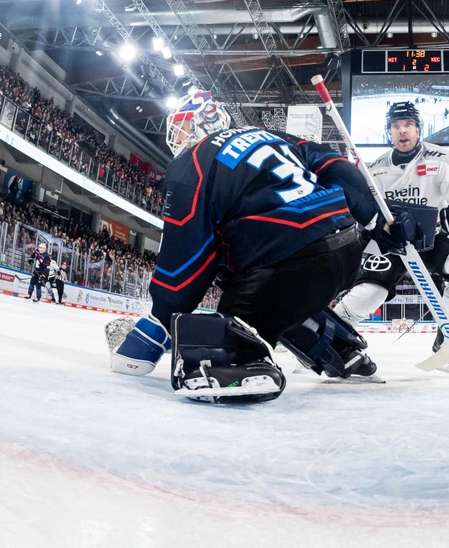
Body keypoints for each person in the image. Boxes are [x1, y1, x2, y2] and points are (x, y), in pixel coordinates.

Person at [107, 90, 411, 404]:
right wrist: (375, 219)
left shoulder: (190, 164)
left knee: (228, 284)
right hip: (346, 248)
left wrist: (152, 330)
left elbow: (184, 261)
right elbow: (337, 166)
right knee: (278, 287)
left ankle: (242, 360)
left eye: (182, 128)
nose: (177, 138)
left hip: (287, 264)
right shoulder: (270, 136)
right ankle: (341, 349)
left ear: (198, 127)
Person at [331, 101, 449, 374]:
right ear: (389, 133)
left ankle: (448, 338)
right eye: (396, 126)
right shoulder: (375, 170)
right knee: (368, 293)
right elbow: (364, 214)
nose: (402, 131)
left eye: (408, 125)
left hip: (433, 237)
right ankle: (331, 341)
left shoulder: (442, 160)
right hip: (392, 243)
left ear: (418, 129)